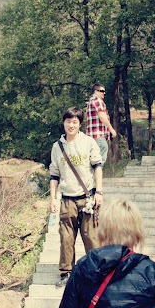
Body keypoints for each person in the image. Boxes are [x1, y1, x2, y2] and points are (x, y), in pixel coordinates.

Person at [50, 106, 103, 287]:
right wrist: (53, 199)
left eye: (75, 122)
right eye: (68, 121)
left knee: (90, 237)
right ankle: (66, 273)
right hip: (66, 199)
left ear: (80, 124)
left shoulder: (88, 142)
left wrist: (99, 192)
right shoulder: (57, 147)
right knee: (66, 237)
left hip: (87, 198)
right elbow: (54, 174)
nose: (71, 125)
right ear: (63, 123)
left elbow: (97, 167)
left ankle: (95, 273)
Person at [86, 83, 117, 164]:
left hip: (92, 135)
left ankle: (94, 171)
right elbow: (102, 116)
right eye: (102, 91)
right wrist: (111, 129)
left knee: (93, 158)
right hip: (98, 135)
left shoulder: (91, 101)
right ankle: (97, 172)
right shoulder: (97, 100)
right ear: (96, 91)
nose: (104, 93)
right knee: (100, 158)